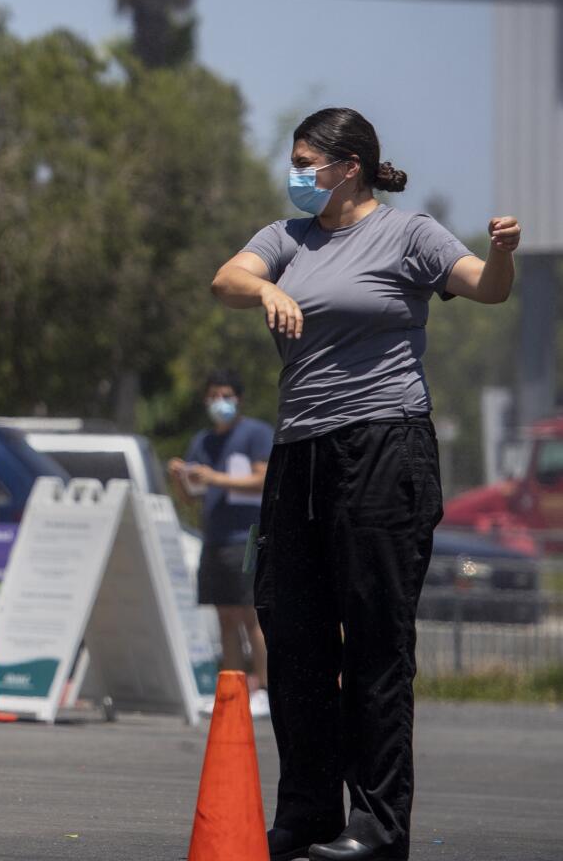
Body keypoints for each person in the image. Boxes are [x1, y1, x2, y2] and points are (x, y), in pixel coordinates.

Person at [210, 107, 520, 861]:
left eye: (304, 161)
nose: (295, 175)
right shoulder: (287, 238)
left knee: (377, 642)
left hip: (385, 451)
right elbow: (227, 279)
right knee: (295, 638)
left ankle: (378, 825)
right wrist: (267, 293)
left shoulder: (408, 234)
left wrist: (503, 253)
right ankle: (310, 812)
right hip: (300, 457)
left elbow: (485, 288)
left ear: (348, 166)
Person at [168, 368, 272, 718]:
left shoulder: (255, 434)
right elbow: (191, 496)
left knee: (251, 615)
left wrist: (215, 478)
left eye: (226, 395)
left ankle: (268, 689)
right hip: (215, 538)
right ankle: (233, 690)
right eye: (213, 396)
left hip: (248, 537)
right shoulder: (202, 440)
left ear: (238, 399)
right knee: (225, 616)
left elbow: (263, 479)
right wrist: (181, 478)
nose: (219, 403)